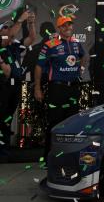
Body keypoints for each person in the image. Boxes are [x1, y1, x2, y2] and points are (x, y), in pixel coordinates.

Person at [34, 16, 88, 165]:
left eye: (69, 25)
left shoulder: (76, 43)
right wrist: (37, 88)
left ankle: (68, 158)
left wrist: (81, 69)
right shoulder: (49, 44)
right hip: (57, 88)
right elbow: (39, 66)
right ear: (59, 28)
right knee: (54, 123)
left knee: (73, 122)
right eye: (64, 26)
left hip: (73, 88)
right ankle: (48, 159)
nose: (67, 28)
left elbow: (84, 57)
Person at [0, 10, 36, 162]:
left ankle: (4, 152)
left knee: (7, 119)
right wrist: (20, 20)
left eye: (9, 27)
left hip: (14, 87)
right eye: (5, 28)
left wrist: (31, 23)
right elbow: (9, 35)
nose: (9, 31)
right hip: (3, 86)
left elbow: (31, 39)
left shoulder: (14, 47)